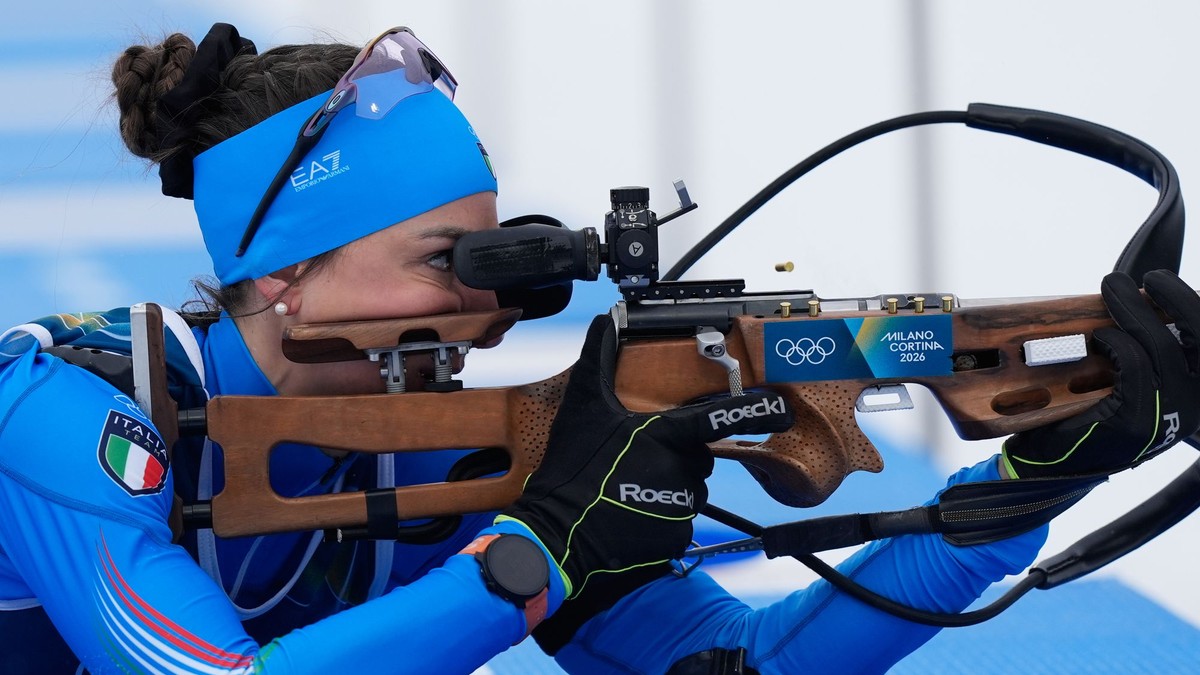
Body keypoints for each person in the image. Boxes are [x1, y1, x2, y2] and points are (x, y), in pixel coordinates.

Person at [0, 22, 1197, 675]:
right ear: (282, 275)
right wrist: (535, 558)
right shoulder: (68, 411)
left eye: (493, 256)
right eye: (441, 261)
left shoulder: (446, 457)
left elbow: (737, 670)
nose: (481, 306)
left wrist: (1030, 486)